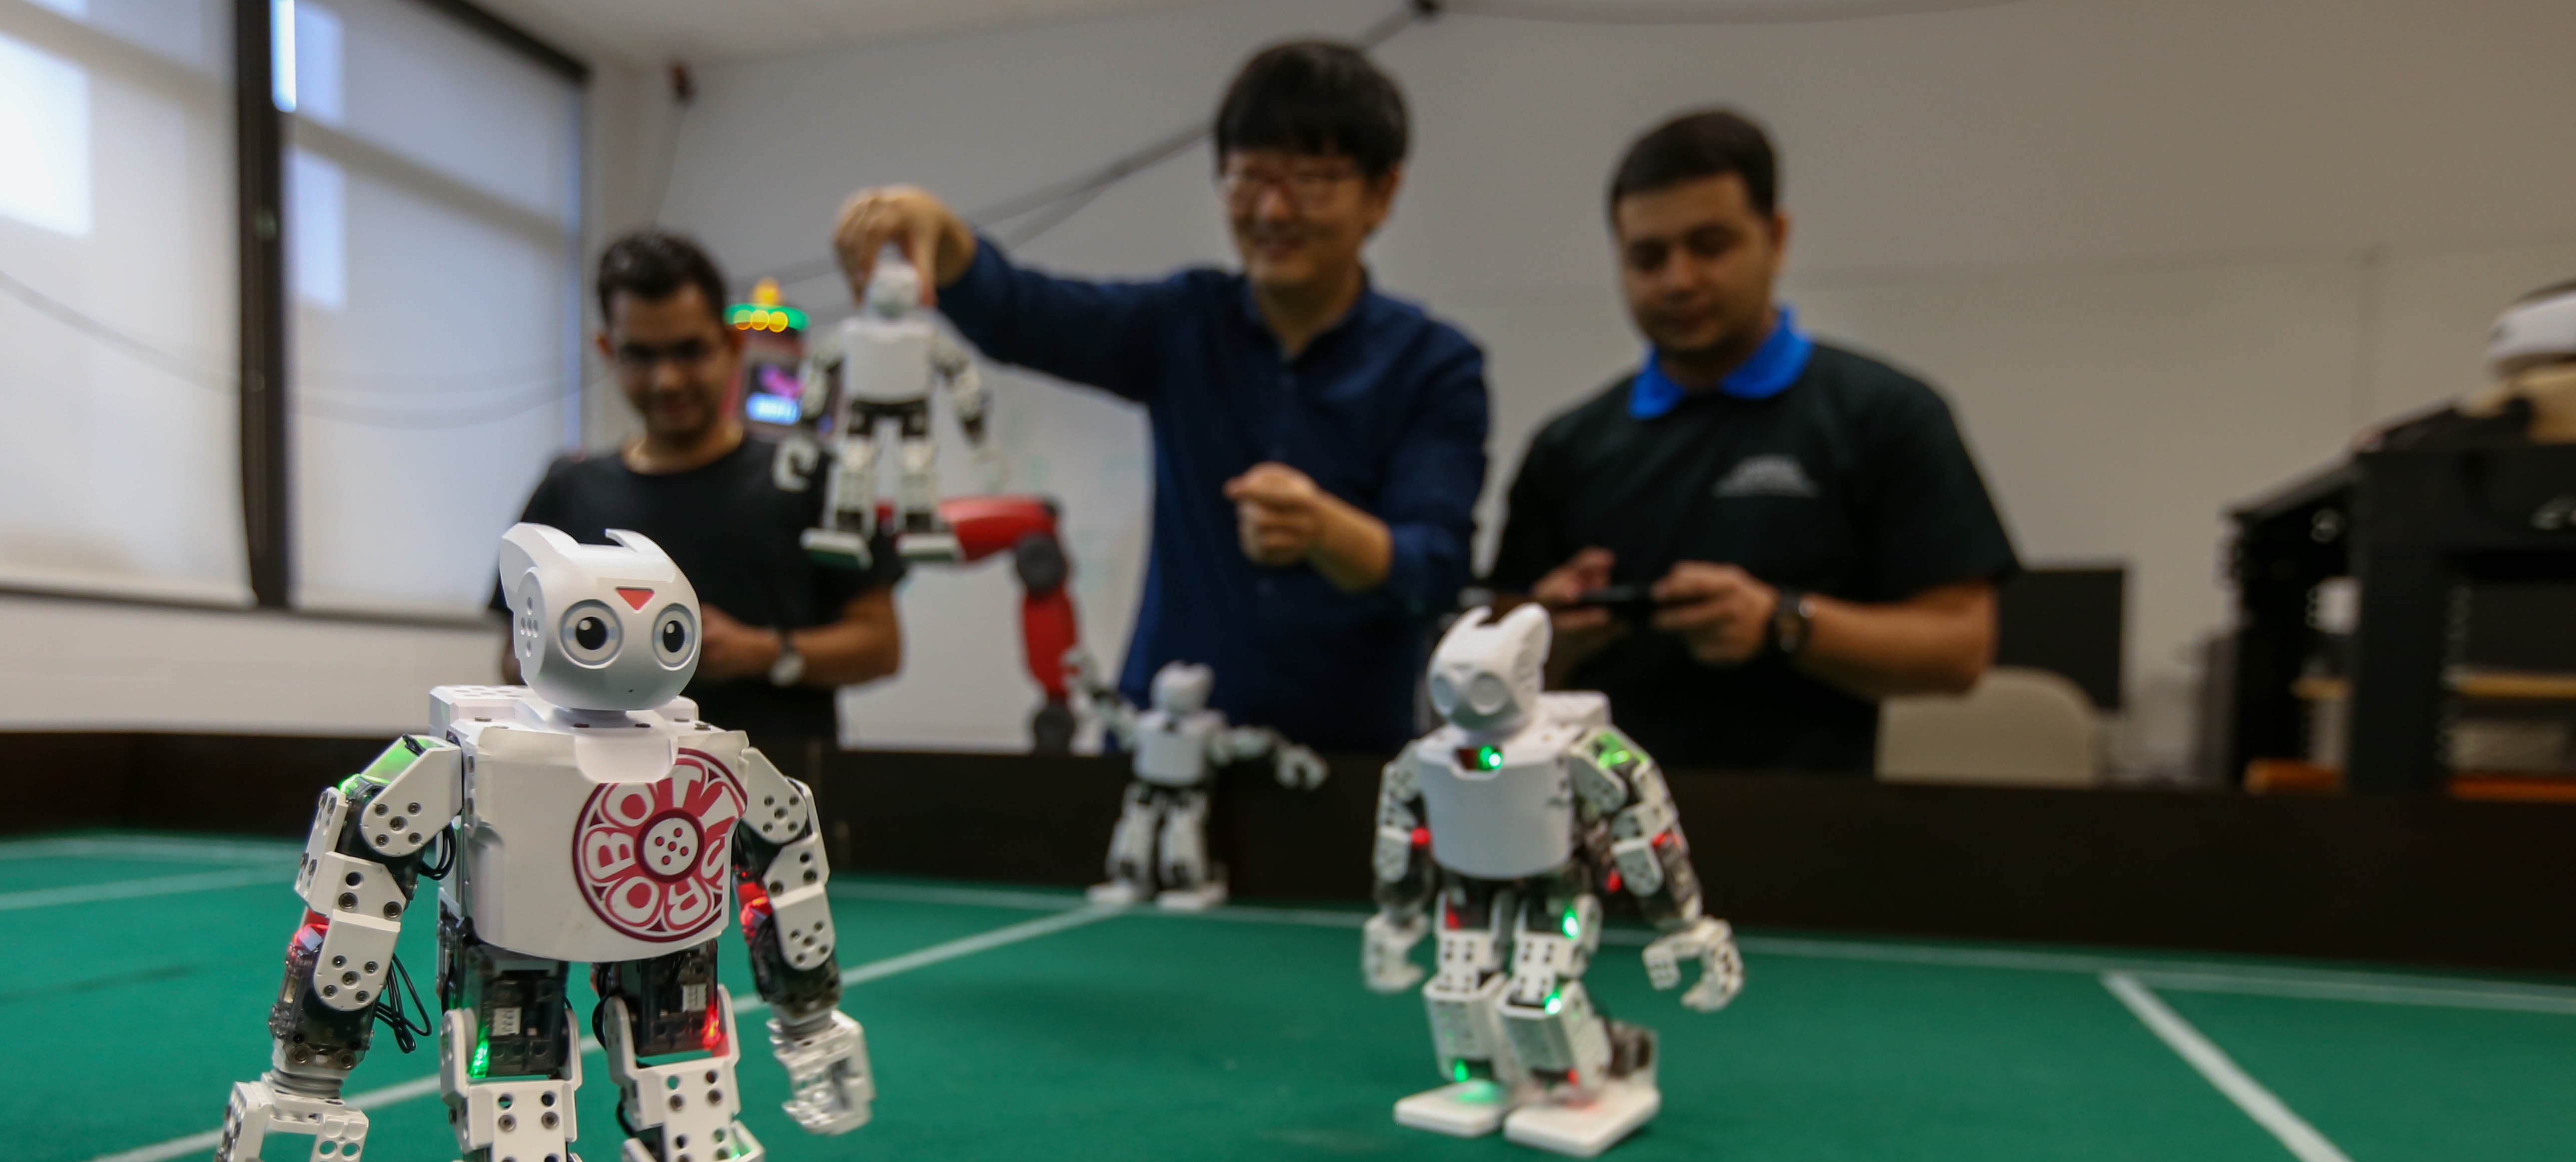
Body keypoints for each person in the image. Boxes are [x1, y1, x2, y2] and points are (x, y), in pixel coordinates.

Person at [831, 40, 1489, 755]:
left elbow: (1436, 569)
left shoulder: (1433, 365)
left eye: (1310, 179)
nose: (1272, 209)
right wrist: (941, 232)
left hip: (1345, 767)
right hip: (1161, 746)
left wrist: (1329, 533)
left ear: (1382, 193)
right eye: (1247, 177)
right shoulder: (1185, 322)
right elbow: (1029, 315)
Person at [1489, 110, 2019, 774]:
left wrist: (1781, 622)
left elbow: (1960, 648)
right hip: (1598, 834)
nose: (1677, 280)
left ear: (1775, 237)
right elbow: (1501, 656)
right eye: (1646, 257)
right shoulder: (1567, 446)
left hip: (1808, 835)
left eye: (1709, 245)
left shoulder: (1884, 414)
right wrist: (1554, 636)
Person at [494, 231, 903, 747]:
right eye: (640, 355)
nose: (667, 380)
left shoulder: (811, 480)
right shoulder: (566, 491)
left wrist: (762, 652)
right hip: (601, 811)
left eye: (689, 351)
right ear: (607, 350)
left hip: (773, 796)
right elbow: (512, 658)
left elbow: (881, 645)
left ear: (732, 344)